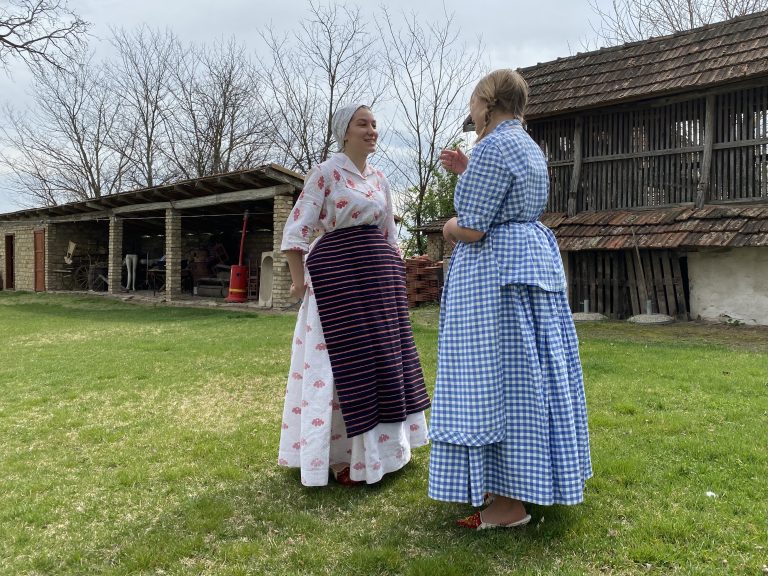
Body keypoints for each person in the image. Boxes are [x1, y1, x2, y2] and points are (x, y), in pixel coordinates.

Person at [428, 69, 592, 529]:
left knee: (494, 381)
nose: (471, 111)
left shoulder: (494, 145)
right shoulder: (525, 145)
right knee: (528, 376)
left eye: (474, 102)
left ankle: (505, 505)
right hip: (527, 266)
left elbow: (475, 227)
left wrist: (447, 229)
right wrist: (467, 171)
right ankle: (522, 486)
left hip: (496, 277)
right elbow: (510, 196)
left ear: (487, 101)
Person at [278, 104, 431, 487]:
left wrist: (396, 277)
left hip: (378, 283)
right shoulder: (325, 174)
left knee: (382, 360)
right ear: (344, 131)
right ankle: (336, 457)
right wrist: (299, 282)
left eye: (375, 124)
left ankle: (383, 453)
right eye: (363, 124)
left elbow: (390, 237)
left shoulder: (380, 178)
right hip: (337, 283)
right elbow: (296, 230)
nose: (372, 130)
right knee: (341, 365)